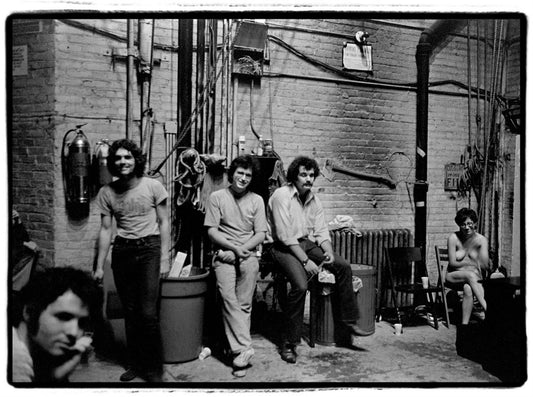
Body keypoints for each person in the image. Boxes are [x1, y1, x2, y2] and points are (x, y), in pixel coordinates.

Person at [267, 155, 371, 364]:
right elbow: (285, 236)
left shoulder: (314, 199)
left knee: (342, 265)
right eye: (303, 175)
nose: (308, 179)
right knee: (299, 285)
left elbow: (322, 230)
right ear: (294, 176)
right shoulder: (281, 195)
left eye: (311, 175)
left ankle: (348, 322)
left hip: (304, 242)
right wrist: (306, 262)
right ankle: (289, 343)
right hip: (280, 247)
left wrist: (328, 250)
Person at [93, 138, 170, 383]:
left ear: (136, 160)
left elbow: (165, 222)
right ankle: (136, 364)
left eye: (127, 157)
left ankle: (155, 369)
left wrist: (165, 257)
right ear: (112, 163)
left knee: (148, 314)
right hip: (123, 251)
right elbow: (106, 230)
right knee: (131, 312)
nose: (123, 162)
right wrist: (98, 266)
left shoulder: (153, 186)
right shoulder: (107, 192)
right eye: (118, 158)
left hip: (149, 249)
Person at [204, 155, 267, 377]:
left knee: (244, 304)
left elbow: (260, 233)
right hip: (223, 254)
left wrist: (241, 251)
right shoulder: (217, 197)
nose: (243, 178)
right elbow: (211, 230)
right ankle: (244, 348)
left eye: (248, 175)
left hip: (247, 253)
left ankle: (237, 356)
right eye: (240, 173)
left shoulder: (257, 200)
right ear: (232, 174)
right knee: (228, 298)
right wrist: (231, 250)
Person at [11, 267, 101, 383]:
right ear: (29, 312)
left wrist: (58, 375)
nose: (74, 332)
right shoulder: (16, 356)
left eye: (82, 323)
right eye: (63, 317)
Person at [445, 207, 489, 325]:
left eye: (469, 223)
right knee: (470, 275)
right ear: (459, 225)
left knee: (468, 289)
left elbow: (485, 265)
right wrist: (468, 261)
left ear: (474, 223)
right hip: (453, 276)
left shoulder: (481, 240)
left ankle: (464, 325)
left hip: (473, 278)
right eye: (463, 224)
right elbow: (453, 263)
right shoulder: (453, 238)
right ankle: (487, 309)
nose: (467, 227)